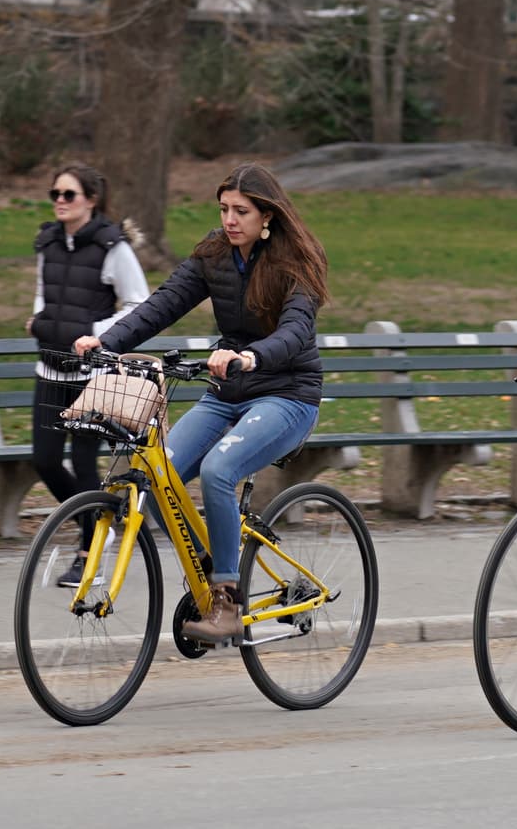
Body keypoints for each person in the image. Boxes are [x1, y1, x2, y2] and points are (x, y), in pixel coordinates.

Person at [74, 162, 329, 642]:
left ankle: (227, 601)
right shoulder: (215, 254)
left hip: (287, 395)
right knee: (157, 477)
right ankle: (211, 569)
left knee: (218, 470)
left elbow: (296, 330)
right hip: (227, 392)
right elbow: (162, 305)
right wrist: (106, 341)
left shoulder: (297, 261)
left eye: (241, 211)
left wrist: (252, 356)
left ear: (267, 215)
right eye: (224, 209)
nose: (230, 220)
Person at [26, 163, 150, 587]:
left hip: (90, 375)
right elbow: (43, 293)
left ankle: (88, 552)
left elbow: (138, 304)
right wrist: (40, 321)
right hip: (49, 370)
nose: (60, 201)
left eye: (69, 194)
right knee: (44, 460)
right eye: (55, 194)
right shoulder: (48, 242)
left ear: (91, 200)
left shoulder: (113, 247)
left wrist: (95, 332)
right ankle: (100, 519)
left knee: (82, 461)